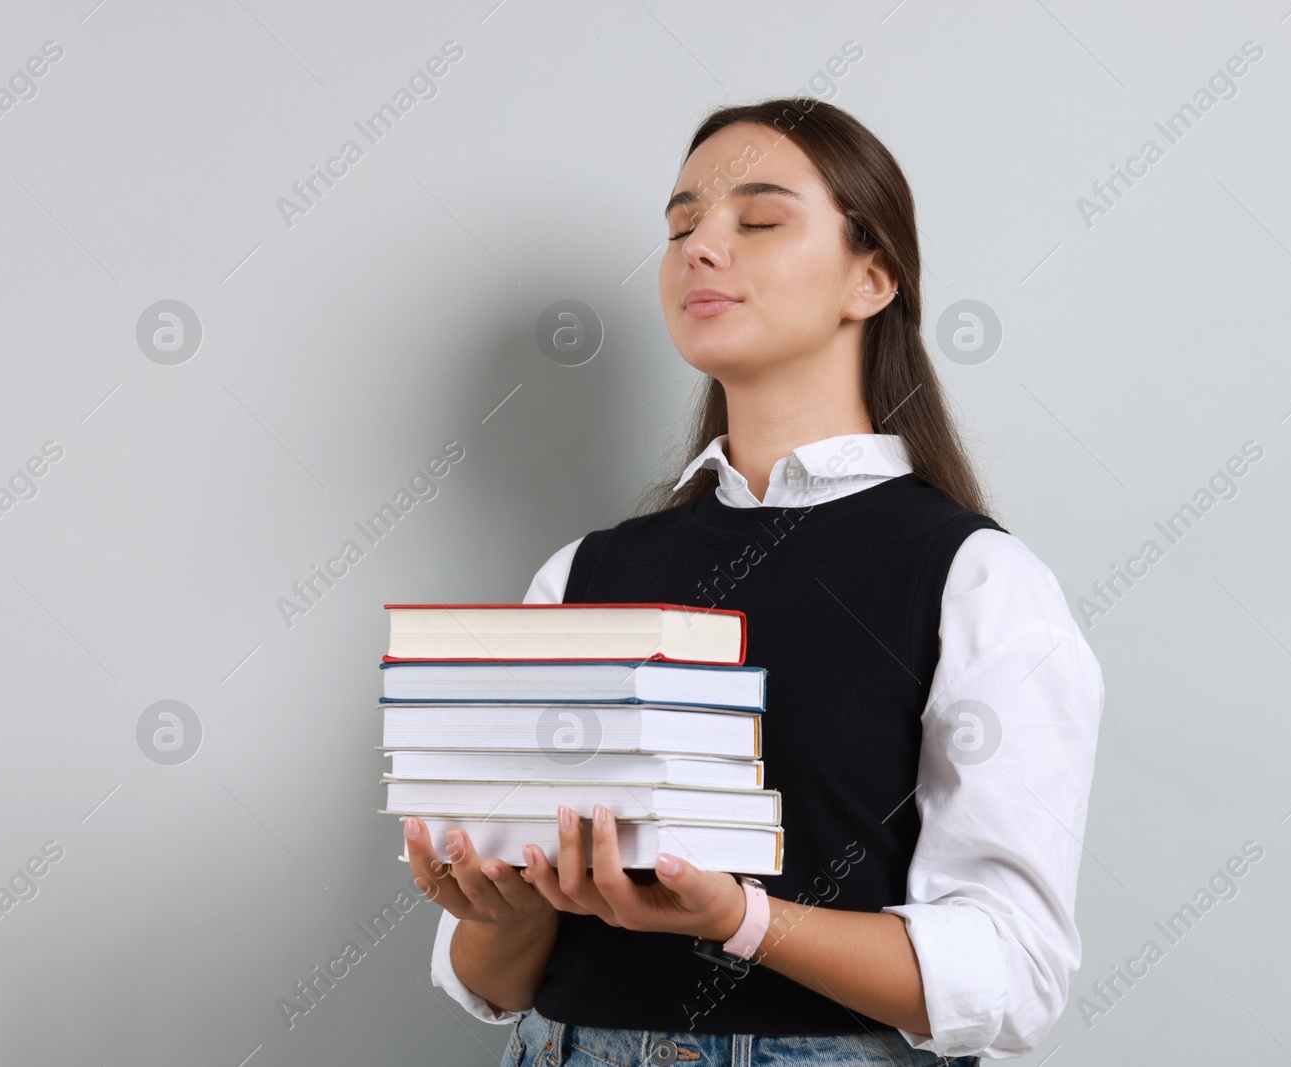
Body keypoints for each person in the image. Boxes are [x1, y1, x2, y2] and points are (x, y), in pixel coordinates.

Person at [402, 96, 1104, 1066]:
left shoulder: (975, 580)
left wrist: (743, 918)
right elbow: (489, 979)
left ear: (873, 274)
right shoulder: (580, 574)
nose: (700, 248)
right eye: (681, 225)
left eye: (758, 221)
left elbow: (1011, 971)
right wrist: (501, 907)